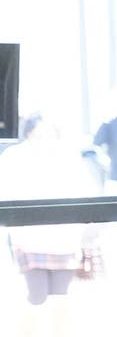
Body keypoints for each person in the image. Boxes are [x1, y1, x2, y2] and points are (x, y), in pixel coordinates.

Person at [0, 114, 89, 305]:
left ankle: (58, 334)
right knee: (37, 295)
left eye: (47, 133)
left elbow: (82, 191)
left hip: (64, 238)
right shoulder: (15, 156)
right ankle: (36, 334)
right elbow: (6, 191)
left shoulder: (67, 156)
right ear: (28, 134)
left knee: (60, 297)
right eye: (37, 133)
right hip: (29, 237)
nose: (43, 138)